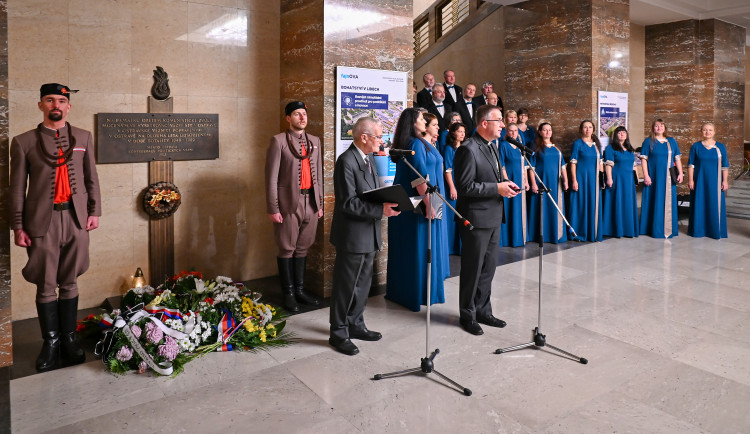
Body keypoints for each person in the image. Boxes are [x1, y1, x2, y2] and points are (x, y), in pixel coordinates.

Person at [10, 83, 101, 372]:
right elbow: (16, 189)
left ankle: (70, 339)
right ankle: (50, 342)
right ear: (40, 105)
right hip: (42, 222)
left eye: (61, 100)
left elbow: (91, 179)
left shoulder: (83, 137)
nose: (55, 105)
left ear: (68, 106)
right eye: (49, 100)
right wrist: (18, 226)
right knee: (47, 284)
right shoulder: (23, 141)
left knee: (70, 281)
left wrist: (94, 212)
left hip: (75, 219)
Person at [329, 117, 400, 356]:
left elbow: (370, 194)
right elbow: (348, 203)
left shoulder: (369, 158)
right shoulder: (346, 161)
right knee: (345, 286)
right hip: (352, 235)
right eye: (379, 136)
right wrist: (381, 210)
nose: (382, 141)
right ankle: (338, 332)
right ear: (364, 137)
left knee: (362, 285)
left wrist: (389, 200)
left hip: (369, 233)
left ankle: (356, 324)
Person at [453, 104, 519, 335]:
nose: (503, 125)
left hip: (493, 216)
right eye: (499, 120)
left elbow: (495, 175)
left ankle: (483, 310)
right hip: (475, 219)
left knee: (488, 269)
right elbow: (465, 187)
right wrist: (496, 188)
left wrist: (506, 184)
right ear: (484, 123)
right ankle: (467, 315)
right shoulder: (468, 149)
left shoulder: (493, 146)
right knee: (473, 269)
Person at [385, 108, 449, 312]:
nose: (424, 121)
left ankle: (421, 291)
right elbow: (419, 177)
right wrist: (429, 204)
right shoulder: (414, 144)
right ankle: (417, 293)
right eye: (422, 118)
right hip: (422, 202)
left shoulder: (423, 142)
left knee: (428, 245)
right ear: (413, 123)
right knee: (420, 247)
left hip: (433, 196)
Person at [265, 101, 323, 312]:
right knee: (287, 248)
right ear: (288, 118)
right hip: (289, 202)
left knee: (303, 247)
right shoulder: (278, 141)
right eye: (297, 114)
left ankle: (300, 290)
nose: (302, 118)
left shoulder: (314, 141)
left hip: (311, 202)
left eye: (304, 114)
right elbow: (271, 178)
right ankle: (288, 293)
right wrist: (273, 208)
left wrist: (320, 204)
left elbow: (319, 176)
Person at [639, 119, 683, 238]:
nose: (659, 128)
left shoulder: (672, 141)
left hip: (669, 178)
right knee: (654, 200)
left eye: (661, 125)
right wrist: (646, 175)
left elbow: (677, 159)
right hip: (654, 176)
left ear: (665, 128)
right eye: (656, 126)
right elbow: (644, 160)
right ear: (653, 128)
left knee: (668, 201)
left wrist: (680, 173)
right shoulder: (648, 141)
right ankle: (653, 229)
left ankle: (669, 228)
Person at [527, 122, 569, 244]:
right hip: (541, 181)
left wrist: (565, 180)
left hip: (555, 183)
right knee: (541, 207)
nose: (547, 132)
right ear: (539, 132)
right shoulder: (535, 146)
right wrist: (534, 183)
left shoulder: (556, 147)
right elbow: (531, 167)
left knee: (554, 207)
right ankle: (540, 235)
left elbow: (562, 166)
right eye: (544, 130)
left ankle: (555, 234)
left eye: (549, 130)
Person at [687, 122, 729, 239]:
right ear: (701, 132)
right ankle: (698, 230)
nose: (708, 132)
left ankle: (714, 231)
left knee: (714, 204)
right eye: (705, 130)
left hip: (715, 182)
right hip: (699, 181)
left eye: (710, 130)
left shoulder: (720, 147)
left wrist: (725, 181)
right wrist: (691, 180)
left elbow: (725, 166)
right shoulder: (696, 146)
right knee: (699, 204)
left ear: (714, 132)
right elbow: (691, 165)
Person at [567, 120, 603, 242]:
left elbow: (601, 163)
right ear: (581, 129)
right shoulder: (578, 144)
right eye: (585, 127)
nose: (588, 130)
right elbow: (573, 163)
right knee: (581, 204)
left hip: (594, 180)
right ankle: (579, 233)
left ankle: (593, 232)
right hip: (581, 178)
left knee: (593, 204)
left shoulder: (596, 144)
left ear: (593, 129)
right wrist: (574, 180)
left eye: (590, 127)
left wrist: (602, 180)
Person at [601, 127, 639, 238]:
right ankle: (614, 229)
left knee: (627, 203)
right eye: (619, 133)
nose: (622, 134)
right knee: (616, 202)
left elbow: (634, 166)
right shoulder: (611, 148)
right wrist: (609, 178)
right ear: (616, 135)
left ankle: (628, 229)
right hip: (616, 179)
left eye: (624, 132)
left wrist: (636, 179)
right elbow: (608, 165)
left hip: (628, 181)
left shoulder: (630, 149)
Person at [499, 123, 529, 247]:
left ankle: (518, 238)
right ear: (506, 132)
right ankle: (507, 239)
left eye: (515, 131)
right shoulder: (503, 145)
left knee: (518, 208)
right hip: (510, 180)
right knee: (509, 208)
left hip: (520, 179)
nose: (513, 133)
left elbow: (524, 166)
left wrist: (526, 181)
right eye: (510, 131)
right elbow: (502, 165)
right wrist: (506, 181)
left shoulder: (520, 147)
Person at [442, 121, 466, 255]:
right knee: (453, 216)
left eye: (463, 131)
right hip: (454, 185)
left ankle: (462, 247)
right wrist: (452, 188)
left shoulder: (465, 147)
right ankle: (452, 248)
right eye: (459, 131)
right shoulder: (449, 149)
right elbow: (448, 170)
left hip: (464, 185)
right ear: (453, 133)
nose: (462, 134)